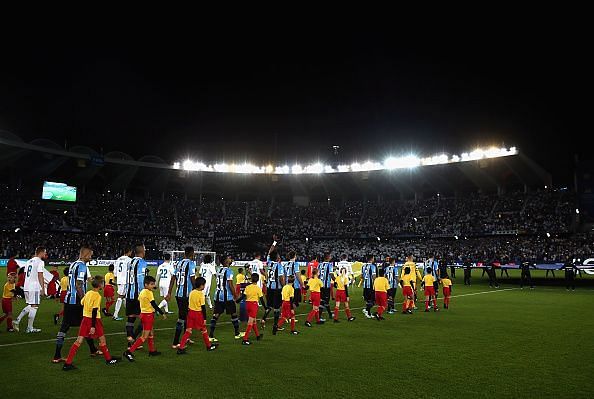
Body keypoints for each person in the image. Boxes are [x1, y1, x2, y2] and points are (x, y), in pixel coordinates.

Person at [52, 245, 100, 363]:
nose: (91, 257)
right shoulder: (82, 266)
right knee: (87, 324)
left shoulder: (73, 264)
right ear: (86, 255)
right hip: (77, 300)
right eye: (90, 255)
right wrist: (84, 300)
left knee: (65, 326)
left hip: (69, 299)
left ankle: (57, 355)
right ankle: (93, 350)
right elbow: (79, 285)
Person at [62, 276, 120, 371]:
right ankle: (109, 359)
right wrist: (93, 326)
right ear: (100, 285)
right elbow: (94, 310)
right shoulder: (97, 296)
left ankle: (67, 363)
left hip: (85, 319)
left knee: (78, 340)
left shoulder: (88, 293)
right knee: (102, 340)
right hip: (94, 320)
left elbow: (81, 303)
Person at [123, 276, 166, 361]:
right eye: (151, 284)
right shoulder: (149, 293)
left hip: (144, 315)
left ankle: (152, 351)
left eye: (153, 284)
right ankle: (129, 352)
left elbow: (139, 302)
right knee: (144, 336)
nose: (153, 286)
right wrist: (162, 313)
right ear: (146, 284)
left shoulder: (142, 291)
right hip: (148, 316)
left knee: (151, 334)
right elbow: (153, 304)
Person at [165, 246, 196, 349]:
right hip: (186, 296)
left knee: (187, 316)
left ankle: (186, 337)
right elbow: (192, 279)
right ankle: (175, 342)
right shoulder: (191, 264)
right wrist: (197, 291)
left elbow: (173, 278)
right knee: (182, 318)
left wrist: (169, 292)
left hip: (178, 294)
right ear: (192, 254)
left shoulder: (178, 264)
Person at [177, 277, 218, 353]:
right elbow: (203, 308)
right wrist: (205, 319)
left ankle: (181, 347)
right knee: (204, 330)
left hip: (190, 313)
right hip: (198, 314)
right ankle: (209, 346)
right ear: (201, 285)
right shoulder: (201, 294)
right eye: (204, 285)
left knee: (188, 330)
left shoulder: (192, 292)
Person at [13, 246, 47, 333]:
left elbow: (25, 274)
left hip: (27, 286)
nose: (45, 254)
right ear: (41, 252)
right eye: (44, 252)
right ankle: (29, 328)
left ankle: (17, 320)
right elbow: (40, 275)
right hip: (34, 287)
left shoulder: (28, 261)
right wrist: (42, 288)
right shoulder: (40, 262)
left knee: (31, 305)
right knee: (34, 307)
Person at [210, 256, 241, 340]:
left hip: (217, 295)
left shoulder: (218, 270)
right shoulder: (229, 271)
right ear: (226, 261)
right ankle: (237, 333)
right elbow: (230, 284)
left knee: (216, 314)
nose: (230, 259)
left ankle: (211, 335)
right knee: (233, 314)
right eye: (228, 258)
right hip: (227, 296)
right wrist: (235, 295)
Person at [124, 244, 149, 348]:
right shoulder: (142, 262)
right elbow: (140, 279)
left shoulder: (130, 262)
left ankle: (130, 342)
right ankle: (133, 339)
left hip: (129, 293)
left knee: (131, 318)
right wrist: (142, 294)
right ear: (142, 251)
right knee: (144, 319)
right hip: (137, 295)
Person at [262, 246, 285, 333]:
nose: (279, 256)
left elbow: (269, 252)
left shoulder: (269, 263)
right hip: (276, 289)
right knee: (277, 308)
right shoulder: (279, 266)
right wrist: (284, 287)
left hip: (269, 288)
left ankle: (263, 319)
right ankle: (275, 326)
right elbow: (281, 278)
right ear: (276, 257)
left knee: (269, 306)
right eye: (278, 255)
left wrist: (274, 242)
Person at [242, 273, 265, 345]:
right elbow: (261, 299)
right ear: (258, 280)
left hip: (247, 305)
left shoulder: (248, 287)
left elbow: (243, 296)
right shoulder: (258, 288)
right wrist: (265, 307)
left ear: (251, 279)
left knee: (254, 320)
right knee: (251, 322)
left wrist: (237, 300)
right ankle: (245, 339)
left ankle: (257, 335)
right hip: (254, 305)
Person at [112, 247, 132, 321]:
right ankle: (115, 315)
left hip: (120, 280)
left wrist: (117, 280)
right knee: (121, 296)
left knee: (124, 296)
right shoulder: (129, 260)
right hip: (126, 280)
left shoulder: (118, 259)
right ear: (129, 252)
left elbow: (115, 272)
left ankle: (128, 311)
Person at [318, 252, 335, 321]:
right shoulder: (329, 265)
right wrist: (336, 281)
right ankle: (319, 317)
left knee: (325, 300)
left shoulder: (320, 265)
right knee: (324, 301)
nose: (331, 257)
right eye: (330, 256)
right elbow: (331, 274)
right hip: (326, 286)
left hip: (320, 285)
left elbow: (318, 275)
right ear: (328, 257)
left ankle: (330, 314)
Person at [361, 255, 377, 319]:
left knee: (368, 300)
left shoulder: (363, 266)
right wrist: (376, 283)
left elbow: (362, 276)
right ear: (371, 259)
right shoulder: (373, 266)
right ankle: (367, 310)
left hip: (365, 285)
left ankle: (368, 313)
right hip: (371, 286)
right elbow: (374, 277)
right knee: (373, 300)